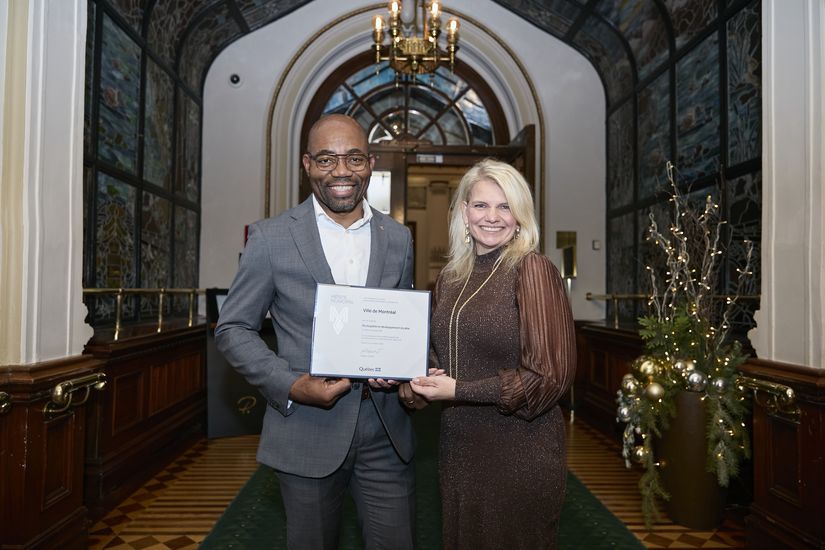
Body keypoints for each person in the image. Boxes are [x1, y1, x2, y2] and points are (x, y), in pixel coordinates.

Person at [215, 114, 417, 550]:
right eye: (326, 159)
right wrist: (291, 385)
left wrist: (400, 369)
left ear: (371, 163)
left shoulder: (398, 238)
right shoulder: (270, 238)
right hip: (306, 429)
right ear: (307, 164)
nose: (341, 171)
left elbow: (398, 321)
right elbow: (232, 328)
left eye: (353, 158)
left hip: (385, 429)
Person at [404, 159, 576, 550]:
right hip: (459, 448)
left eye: (505, 206)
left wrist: (457, 390)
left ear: (520, 216)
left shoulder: (532, 270)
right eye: (481, 205)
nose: (492, 217)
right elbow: (443, 352)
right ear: (464, 211)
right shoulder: (450, 278)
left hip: (519, 453)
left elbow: (549, 378)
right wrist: (411, 377)